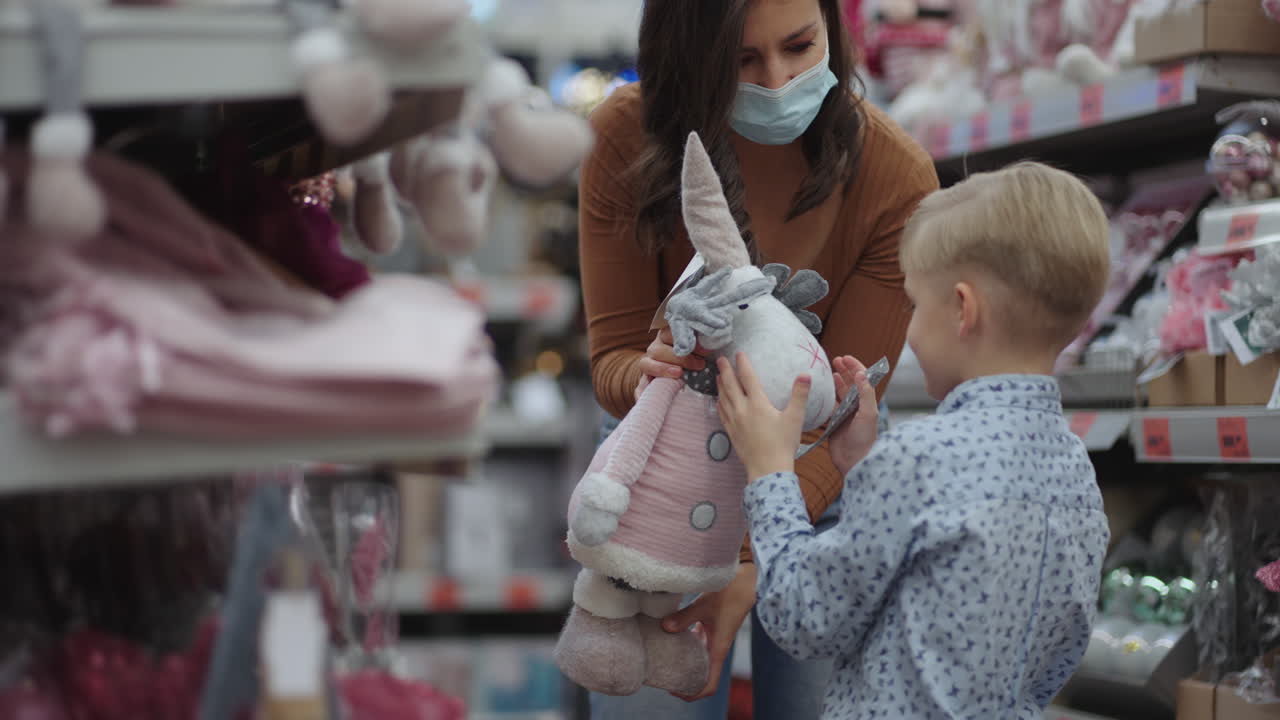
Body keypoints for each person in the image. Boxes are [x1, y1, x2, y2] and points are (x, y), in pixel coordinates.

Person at [576, 0, 938, 715]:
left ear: (835, 27)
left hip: (817, 490)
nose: (777, 80)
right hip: (663, 478)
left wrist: (745, 563)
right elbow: (612, 362)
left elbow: (841, 419)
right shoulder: (626, 136)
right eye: (741, 61)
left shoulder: (894, 177)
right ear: (689, 59)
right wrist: (650, 371)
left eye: (801, 45)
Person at [714, 162, 1114, 718]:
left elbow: (804, 617)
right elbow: (1054, 647)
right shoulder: (1075, 468)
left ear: (962, 309)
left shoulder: (920, 458)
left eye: (915, 305)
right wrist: (863, 468)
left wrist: (770, 471)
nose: (912, 330)